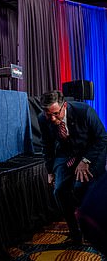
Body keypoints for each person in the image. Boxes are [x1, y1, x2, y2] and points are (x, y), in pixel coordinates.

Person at [38, 90, 107, 244]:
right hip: (67, 153)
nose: (53, 119)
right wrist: (50, 171)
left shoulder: (85, 111)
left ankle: (92, 227)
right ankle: (75, 233)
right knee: (59, 190)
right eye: (49, 114)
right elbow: (47, 146)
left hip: (91, 152)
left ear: (65, 106)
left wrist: (85, 160)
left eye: (56, 113)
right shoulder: (43, 119)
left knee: (80, 187)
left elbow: (102, 138)